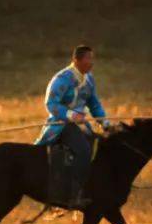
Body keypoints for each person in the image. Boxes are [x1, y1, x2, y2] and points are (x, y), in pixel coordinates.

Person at [36, 45, 110, 209]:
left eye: (92, 59)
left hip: (82, 125)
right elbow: (51, 103)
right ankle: (73, 194)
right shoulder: (62, 79)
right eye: (88, 59)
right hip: (62, 125)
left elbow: (94, 103)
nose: (91, 63)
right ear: (76, 60)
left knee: (98, 146)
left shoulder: (89, 79)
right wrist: (70, 115)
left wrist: (104, 122)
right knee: (83, 150)